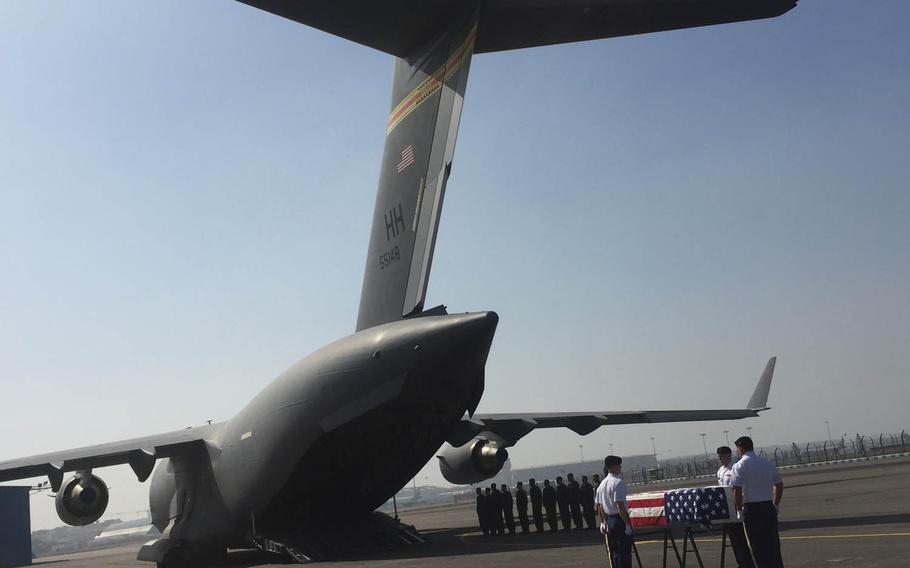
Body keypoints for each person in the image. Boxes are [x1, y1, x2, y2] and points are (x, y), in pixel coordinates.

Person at [731, 437, 784, 568]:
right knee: (773, 545)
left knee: (756, 546)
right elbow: (779, 484)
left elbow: (736, 490)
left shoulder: (739, 466)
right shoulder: (767, 463)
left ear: (740, 449)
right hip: (768, 507)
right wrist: (776, 504)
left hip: (752, 509)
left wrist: (738, 510)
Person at [717, 446, 756, 568]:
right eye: (719, 457)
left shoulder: (735, 468)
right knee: (734, 540)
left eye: (721, 456)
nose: (720, 459)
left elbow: (739, 488)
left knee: (742, 540)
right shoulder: (720, 471)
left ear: (728, 455)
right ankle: (741, 562)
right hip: (727, 509)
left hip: (736, 508)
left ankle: (747, 563)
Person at [597, 455, 633, 568]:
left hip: (609, 520)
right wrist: (627, 524)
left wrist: (603, 521)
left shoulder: (602, 485)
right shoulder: (618, 483)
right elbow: (620, 505)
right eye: (618, 465)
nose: (620, 467)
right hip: (619, 519)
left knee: (615, 552)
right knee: (624, 553)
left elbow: (600, 506)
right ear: (612, 466)